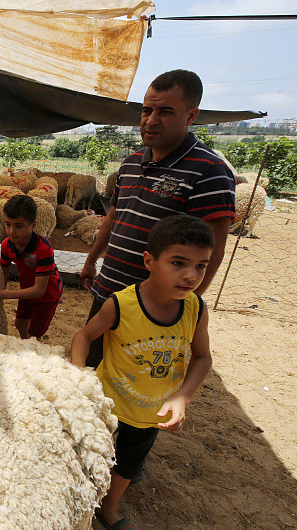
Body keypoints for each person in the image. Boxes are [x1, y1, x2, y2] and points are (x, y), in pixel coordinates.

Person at [79, 69, 236, 368]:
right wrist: (91, 260)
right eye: (147, 110)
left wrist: (183, 309)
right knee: (94, 372)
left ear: (190, 116)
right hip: (110, 293)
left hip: (155, 309)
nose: (151, 121)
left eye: (165, 112)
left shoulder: (209, 171)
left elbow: (212, 248)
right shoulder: (131, 163)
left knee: (138, 385)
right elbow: (115, 215)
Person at [70, 214, 215, 530]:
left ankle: (109, 509)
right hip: (106, 404)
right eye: (178, 262)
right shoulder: (121, 305)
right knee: (89, 453)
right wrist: (79, 380)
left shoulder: (196, 310)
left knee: (130, 462)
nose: (191, 275)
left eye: (201, 265)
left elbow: (203, 357)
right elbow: (82, 337)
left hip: (152, 410)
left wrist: (182, 397)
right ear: (150, 260)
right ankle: (78, 500)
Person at [0, 195, 63, 340]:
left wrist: (3, 294)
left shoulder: (43, 249)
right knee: (20, 324)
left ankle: (31, 351)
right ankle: (24, 344)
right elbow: (4, 272)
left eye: (18, 226)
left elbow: (39, 290)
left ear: (33, 225)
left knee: (35, 334)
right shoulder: (7, 245)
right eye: (8, 224)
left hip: (47, 295)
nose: (11, 231)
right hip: (27, 290)